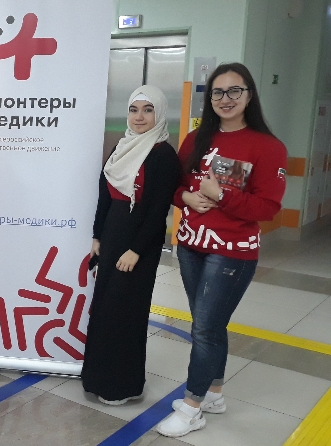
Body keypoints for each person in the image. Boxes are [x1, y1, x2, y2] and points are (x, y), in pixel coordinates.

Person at [156, 63, 287, 438]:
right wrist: (185, 197)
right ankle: (214, 394)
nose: (225, 99)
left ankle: (192, 407)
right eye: (217, 92)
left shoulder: (268, 147)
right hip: (190, 245)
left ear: (249, 95)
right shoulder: (195, 140)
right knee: (210, 325)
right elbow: (175, 185)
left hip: (231, 251)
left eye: (234, 91)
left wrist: (222, 196)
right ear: (209, 97)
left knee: (205, 328)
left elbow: (267, 208)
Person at [81, 85, 181, 405]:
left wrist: (136, 250)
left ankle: (121, 385)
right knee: (105, 309)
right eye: (134, 110)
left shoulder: (163, 155)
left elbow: (158, 211)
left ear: (159, 114)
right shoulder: (120, 147)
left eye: (148, 110)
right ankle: (97, 379)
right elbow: (105, 196)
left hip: (138, 244)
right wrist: (97, 236)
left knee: (126, 313)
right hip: (112, 237)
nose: (139, 117)